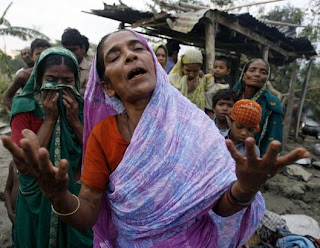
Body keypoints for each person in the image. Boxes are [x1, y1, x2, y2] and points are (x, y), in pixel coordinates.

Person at [1, 30, 309, 248]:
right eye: (115, 56)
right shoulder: (103, 135)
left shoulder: (195, 126)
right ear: (108, 87)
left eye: (138, 49)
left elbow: (220, 208)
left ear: (154, 65)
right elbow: (87, 214)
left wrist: (246, 187)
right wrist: (60, 196)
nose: (131, 55)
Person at [7, 47, 93, 247]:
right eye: (51, 79)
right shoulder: (24, 106)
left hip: (73, 191)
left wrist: (74, 121)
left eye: (67, 81)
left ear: (76, 81)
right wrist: (50, 118)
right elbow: (26, 163)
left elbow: (93, 152)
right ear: (39, 78)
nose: (59, 86)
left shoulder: (82, 107)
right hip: (36, 193)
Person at [233, 58, 283, 156]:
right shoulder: (232, 96)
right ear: (244, 75)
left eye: (263, 72)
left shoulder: (271, 103)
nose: (257, 74)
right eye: (252, 70)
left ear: (266, 78)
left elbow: (274, 136)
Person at [3, 39, 51, 110]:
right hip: (31, 115)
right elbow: (6, 96)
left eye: (45, 53)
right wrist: (16, 114)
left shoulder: (58, 74)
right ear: (32, 56)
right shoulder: (24, 75)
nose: (42, 56)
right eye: (38, 54)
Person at [61, 28, 91, 96]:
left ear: (82, 49)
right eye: (67, 50)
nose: (70, 54)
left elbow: (89, 91)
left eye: (73, 50)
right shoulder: (58, 66)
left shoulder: (91, 69)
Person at [4, 161, 19, 247]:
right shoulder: (14, 164)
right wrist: (10, 212)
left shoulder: (38, 168)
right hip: (15, 217)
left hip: (29, 220)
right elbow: (7, 190)